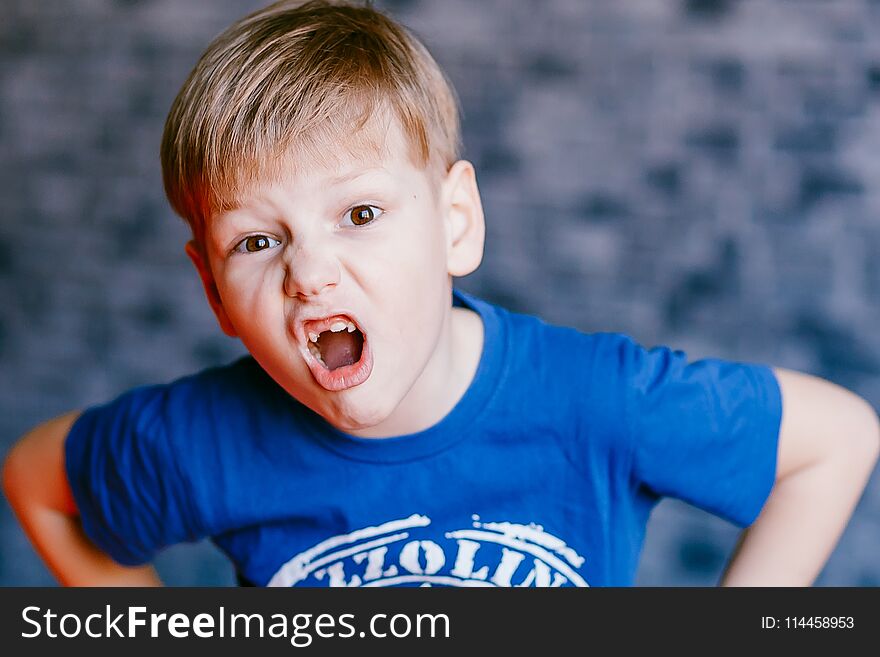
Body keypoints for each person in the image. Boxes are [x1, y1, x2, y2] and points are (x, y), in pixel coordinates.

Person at [3, 0, 878, 588]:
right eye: (258, 241)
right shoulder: (202, 441)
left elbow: (835, 438)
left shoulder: (596, 400)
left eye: (359, 211)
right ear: (212, 289)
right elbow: (37, 479)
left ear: (456, 220)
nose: (309, 273)